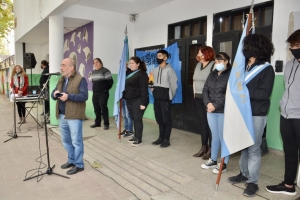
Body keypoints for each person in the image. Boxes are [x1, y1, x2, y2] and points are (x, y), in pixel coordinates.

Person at [227, 34, 275, 197]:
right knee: (243, 147)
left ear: (258, 48)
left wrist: (243, 91)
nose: (245, 49)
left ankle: (253, 182)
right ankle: (244, 174)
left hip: (256, 114)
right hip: (241, 112)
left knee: (253, 149)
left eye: (248, 46)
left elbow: (263, 93)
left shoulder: (267, 69)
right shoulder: (243, 66)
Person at [265, 29, 300, 196]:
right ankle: (288, 185)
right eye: (292, 46)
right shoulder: (289, 65)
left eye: (297, 45)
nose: (294, 48)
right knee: (290, 151)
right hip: (286, 115)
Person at [51, 58, 88, 175]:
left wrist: (68, 96)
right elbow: (53, 93)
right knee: (66, 141)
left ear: (71, 67)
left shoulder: (80, 80)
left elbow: (84, 96)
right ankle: (71, 160)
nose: (61, 67)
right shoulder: (61, 79)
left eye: (63, 65)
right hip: (62, 115)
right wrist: (54, 94)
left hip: (74, 116)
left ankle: (79, 164)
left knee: (76, 142)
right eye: (61, 65)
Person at [201, 52, 231, 174]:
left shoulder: (231, 74)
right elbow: (205, 90)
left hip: (223, 110)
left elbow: (228, 93)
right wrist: (208, 103)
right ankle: (213, 159)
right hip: (211, 110)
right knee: (215, 136)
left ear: (226, 61)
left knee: (224, 137)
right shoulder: (212, 74)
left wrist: (215, 105)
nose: (217, 64)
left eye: (220, 61)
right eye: (216, 61)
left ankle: (223, 163)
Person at [151, 50, 178, 148]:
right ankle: (160, 138)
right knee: (159, 119)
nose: (158, 58)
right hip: (157, 98)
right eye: (157, 56)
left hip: (166, 99)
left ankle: (166, 139)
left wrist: (170, 96)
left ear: (165, 58)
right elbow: (152, 83)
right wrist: (152, 89)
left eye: (160, 56)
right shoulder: (155, 69)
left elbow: (174, 86)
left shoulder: (170, 70)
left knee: (166, 119)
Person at [192, 46, 214, 159]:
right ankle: (203, 147)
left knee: (210, 125)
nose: (198, 54)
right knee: (202, 124)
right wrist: (194, 93)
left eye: (201, 53)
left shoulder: (213, 65)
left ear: (207, 54)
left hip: (209, 99)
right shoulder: (198, 65)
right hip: (198, 98)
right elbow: (194, 80)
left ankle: (211, 149)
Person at [123, 57, 149, 146]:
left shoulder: (142, 74)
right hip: (129, 100)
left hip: (138, 100)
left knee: (138, 119)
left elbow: (144, 89)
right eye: (130, 63)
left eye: (133, 63)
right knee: (134, 119)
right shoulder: (130, 73)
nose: (131, 65)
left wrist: (143, 103)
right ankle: (135, 136)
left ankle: (139, 139)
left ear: (138, 64)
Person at [90, 58, 113, 130]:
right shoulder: (93, 72)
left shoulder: (105, 71)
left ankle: (106, 124)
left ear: (101, 63)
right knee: (96, 108)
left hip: (103, 93)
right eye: (94, 63)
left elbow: (110, 82)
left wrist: (105, 89)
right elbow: (94, 82)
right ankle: (97, 123)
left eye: (97, 62)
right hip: (95, 93)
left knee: (104, 108)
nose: (95, 64)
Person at [122, 63, 134, 138]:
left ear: (126, 65)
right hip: (123, 96)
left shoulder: (131, 73)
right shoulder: (121, 73)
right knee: (124, 115)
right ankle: (126, 129)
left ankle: (130, 130)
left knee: (128, 114)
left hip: (128, 97)